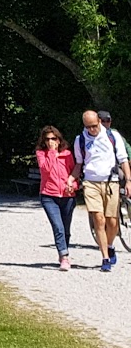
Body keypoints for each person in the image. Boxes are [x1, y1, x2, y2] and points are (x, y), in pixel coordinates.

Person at [73, 109, 129, 272]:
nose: (92, 130)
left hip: (111, 181)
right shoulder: (80, 140)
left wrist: (129, 181)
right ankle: (105, 257)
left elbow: (123, 159)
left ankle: (110, 245)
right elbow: (79, 163)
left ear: (99, 121)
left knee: (112, 222)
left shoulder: (112, 136)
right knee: (99, 219)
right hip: (91, 182)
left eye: (94, 126)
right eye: (88, 127)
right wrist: (72, 178)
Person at [34, 125, 78, 270]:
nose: (50, 141)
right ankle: (64, 257)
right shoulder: (41, 153)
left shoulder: (67, 154)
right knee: (57, 227)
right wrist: (52, 152)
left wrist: (74, 185)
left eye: (53, 138)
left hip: (67, 195)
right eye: (47, 139)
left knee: (65, 229)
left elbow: (74, 172)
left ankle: (63, 252)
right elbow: (45, 169)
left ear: (59, 139)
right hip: (49, 195)